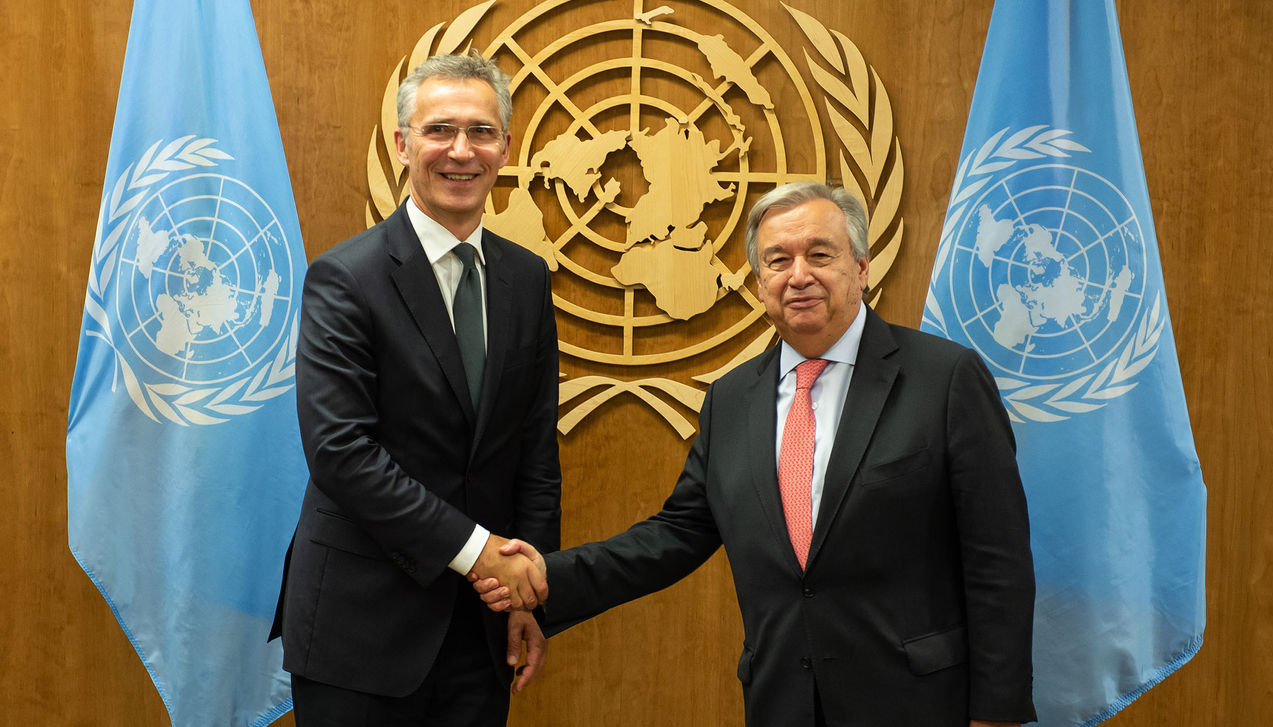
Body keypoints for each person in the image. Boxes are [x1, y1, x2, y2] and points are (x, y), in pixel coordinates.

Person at [477, 181, 1037, 726]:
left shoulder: (945, 379)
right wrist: (548, 576)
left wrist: (996, 713)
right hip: (782, 701)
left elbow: (998, 564)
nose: (799, 276)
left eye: (820, 254)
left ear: (861, 269)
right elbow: (675, 535)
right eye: (777, 260)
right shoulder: (734, 397)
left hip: (917, 703)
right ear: (758, 280)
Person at [272, 52, 561, 726]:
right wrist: (478, 552)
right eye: (439, 130)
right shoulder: (344, 278)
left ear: (506, 147)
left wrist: (530, 595)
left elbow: (534, 449)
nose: (461, 150)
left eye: (482, 132)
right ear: (403, 145)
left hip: (481, 630)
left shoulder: (527, 279)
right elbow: (342, 453)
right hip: (360, 630)